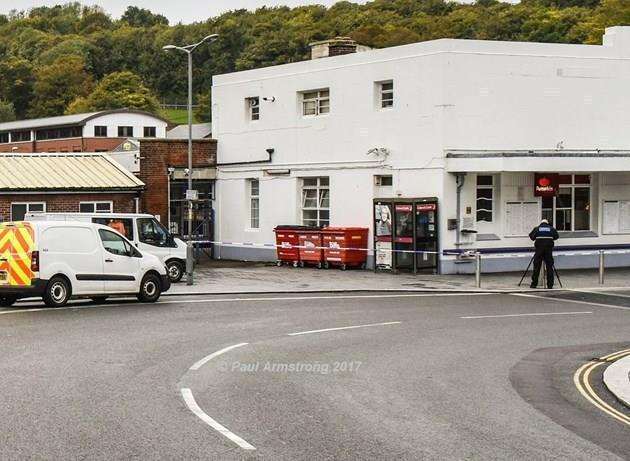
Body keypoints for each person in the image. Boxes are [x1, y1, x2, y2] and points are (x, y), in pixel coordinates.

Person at [528, 219, 559, 288]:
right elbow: (557, 236)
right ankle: (550, 285)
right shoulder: (552, 229)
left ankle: (534, 284)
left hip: (539, 251)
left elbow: (531, 237)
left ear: (541, 223)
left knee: (536, 268)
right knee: (549, 268)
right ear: (547, 223)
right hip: (548, 251)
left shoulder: (537, 229)